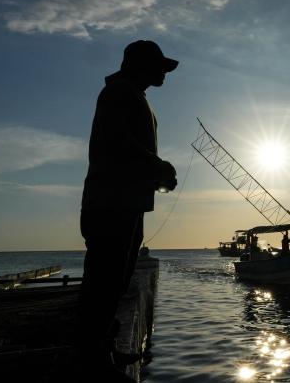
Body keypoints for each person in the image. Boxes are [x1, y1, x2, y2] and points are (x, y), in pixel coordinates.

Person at [77, 40, 178, 382]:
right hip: (110, 204)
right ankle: (92, 359)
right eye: (159, 66)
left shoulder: (134, 96)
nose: (164, 73)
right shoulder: (118, 92)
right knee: (104, 281)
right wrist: (159, 166)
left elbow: (127, 148)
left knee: (116, 280)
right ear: (140, 65)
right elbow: (118, 141)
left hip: (127, 203)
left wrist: (155, 172)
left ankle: (103, 347)